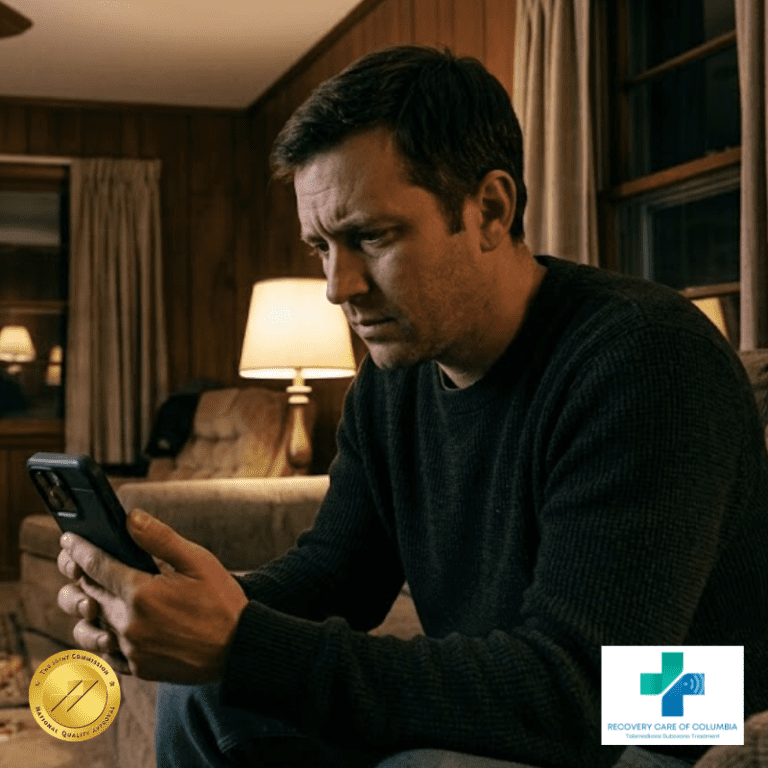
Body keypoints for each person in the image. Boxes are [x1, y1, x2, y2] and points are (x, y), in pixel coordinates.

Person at [56, 45, 768, 768]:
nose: (340, 286)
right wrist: (194, 602)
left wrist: (247, 643)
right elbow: (337, 577)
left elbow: (583, 689)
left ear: (490, 208)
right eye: (321, 248)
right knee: (201, 692)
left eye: (371, 236)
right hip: (559, 680)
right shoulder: (393, 380)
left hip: (688, 706)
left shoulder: (642, 358)